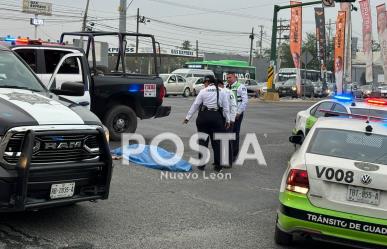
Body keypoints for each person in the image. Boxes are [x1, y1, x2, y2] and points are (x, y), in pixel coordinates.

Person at [183, 75, 230, 172]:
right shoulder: (222, 91)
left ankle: (201, 165)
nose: (204, 84)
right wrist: (228, 120)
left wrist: (188, 117)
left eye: (204, 82)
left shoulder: (203, 91)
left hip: (204, 117)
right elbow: (226, 108)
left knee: (202, 141)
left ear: (207, 82)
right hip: (216, 117)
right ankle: (218, 166)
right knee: (217, 142)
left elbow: (195, 105)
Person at [226, 72, 248, 163]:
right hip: (228, 114)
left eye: (230, 77)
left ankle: (234, 155)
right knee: (227, 134)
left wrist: (238, 112)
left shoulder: (240, 86)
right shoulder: (226, 87)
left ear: (235, 77)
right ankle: (228, 154)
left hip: (237, 114)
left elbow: (245, 101)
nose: (228, 79)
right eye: (227, 78)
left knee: (235, 134)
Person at [217, 78, 237, 167]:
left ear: (220, 85)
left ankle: (228, 162)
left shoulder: (228, 92)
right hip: (220, 119)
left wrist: (232, 119)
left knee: (227, 140)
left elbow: (233, 105)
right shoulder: (218, 92)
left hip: (228, 119)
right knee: (220, 140)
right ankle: (222, 160)